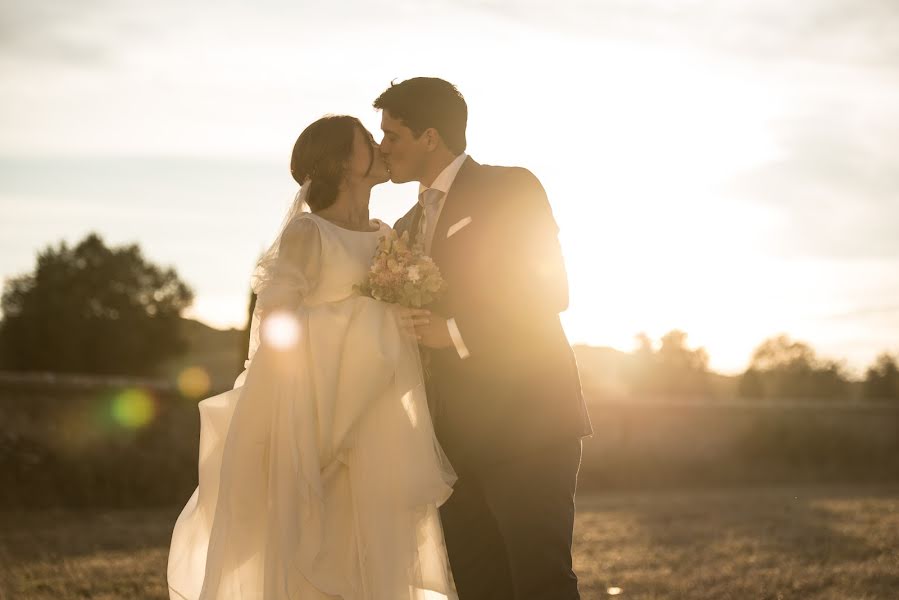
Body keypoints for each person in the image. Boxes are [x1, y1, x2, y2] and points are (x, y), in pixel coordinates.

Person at [167, 115, 457, 600]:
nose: (380, 146)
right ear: (344, 163)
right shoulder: (309, 233)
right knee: (310, 551)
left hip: (377, 418)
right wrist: (373, 321)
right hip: (314, 415)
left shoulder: (388, 237)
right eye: (368, 139)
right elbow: (278, 324)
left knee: (374, 553)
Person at [374, 77, 593, 600]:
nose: (383, 149)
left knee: (539, 580)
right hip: (450, 444)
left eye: (393, 136)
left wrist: (452, 333)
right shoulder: (401, 227)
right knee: (479, 586)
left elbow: (550, 289)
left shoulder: (510, 187)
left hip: (529, 425)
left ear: (430, 137)